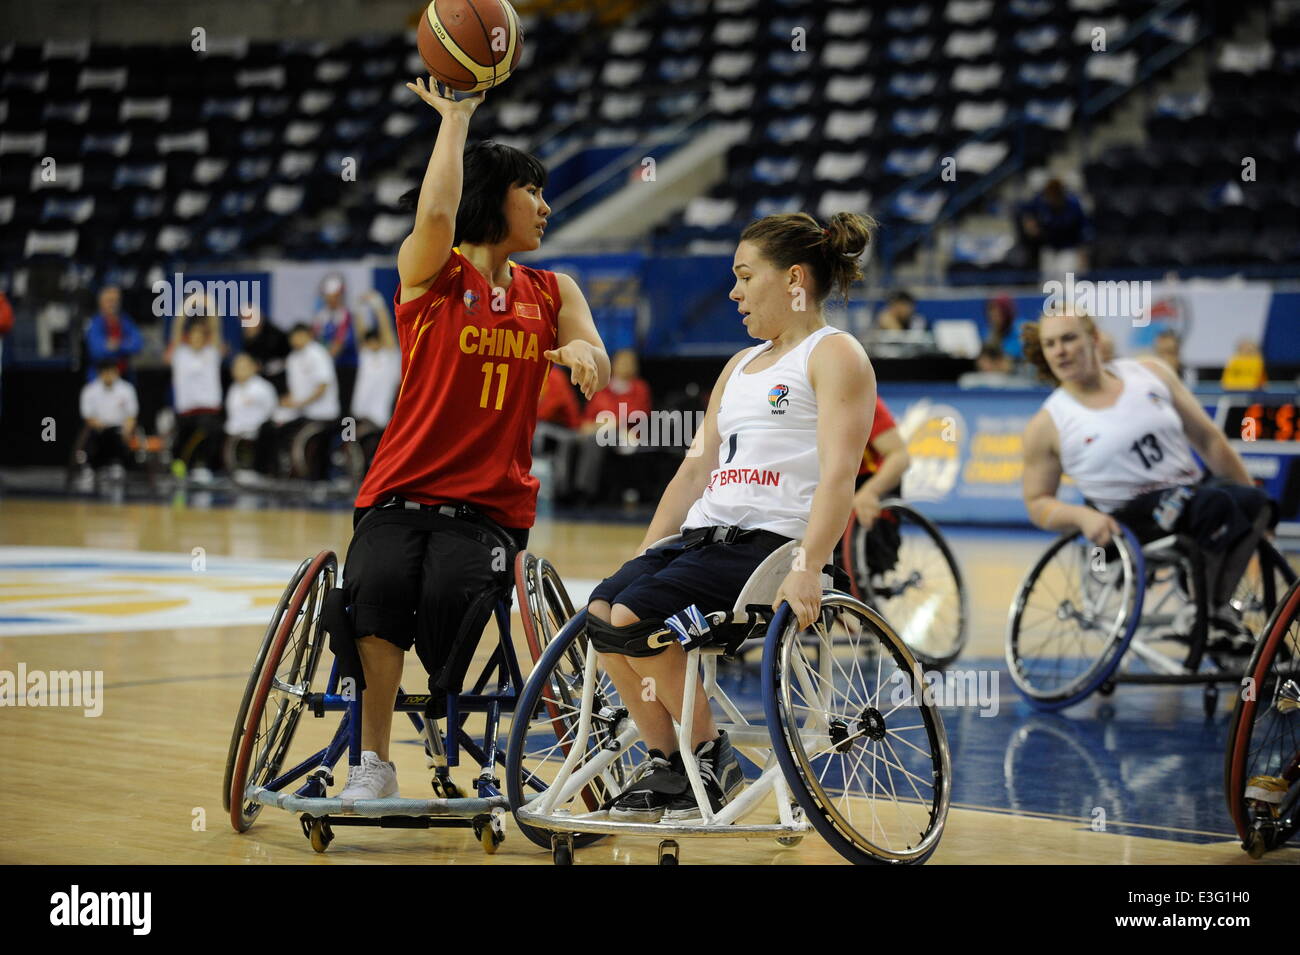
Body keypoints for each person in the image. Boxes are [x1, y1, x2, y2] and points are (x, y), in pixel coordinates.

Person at [331, 79, 610, 801]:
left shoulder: (553, 291)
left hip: (488, 507)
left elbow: (597, 355)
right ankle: (373, 762)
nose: (546, 207)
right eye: (533, 191)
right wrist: (455, 121)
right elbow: (434, 209)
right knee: (379, 586)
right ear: (495, 197)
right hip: (398, 491)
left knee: (455, 593)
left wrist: (584, 358)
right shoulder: (431, 274)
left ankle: (444, 717)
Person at [588, 211, 876, 822]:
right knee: (602, 613)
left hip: (767, 548)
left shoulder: (835, 354)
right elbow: (694, 473)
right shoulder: (738, 366)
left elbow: (839, 475)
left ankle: (710, 754)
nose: (734, 292)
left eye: (745, 276)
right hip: (703, 540)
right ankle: (671, 766)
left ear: (793, 277)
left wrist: (809, 565)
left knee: (637, 617)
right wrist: (646, 550)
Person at [1020, 311, 1273, 638]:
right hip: (1130, 518)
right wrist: (1081, 516)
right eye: (1050, 344)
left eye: (1068, 338)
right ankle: (1204, 613)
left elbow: (1210, 440)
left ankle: (1213, 609)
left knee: (1257, 502)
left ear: (1093, 338)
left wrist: (1258, 521)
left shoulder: (1149, 373)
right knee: (1212, 505)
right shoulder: (1047, 424)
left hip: (1191, 491)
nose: (1060, 351)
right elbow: (1037, 502)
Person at [574, 348, 654, 503]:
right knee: (570, 440)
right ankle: (563, 489)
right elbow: (589, 415)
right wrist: (588, 425)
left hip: (625, 433)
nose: (624, 366)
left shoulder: (639, 388)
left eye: (629, 362)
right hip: (597, 430)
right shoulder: (602, 387)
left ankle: (585, 490)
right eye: (621, 361)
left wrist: (611, 422)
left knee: (595, 439)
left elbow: (639, 413)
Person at [167, 300, 225, 483]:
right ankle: (183, 467)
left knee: (208, 435)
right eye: (194, 335)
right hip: (186, 411)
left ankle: (205, 467)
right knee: (181, 445)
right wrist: (187, 305)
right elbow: (177, 327)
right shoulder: (180, 354)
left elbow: (215, 327)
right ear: (188, 337)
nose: (198, 339)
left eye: (202, 335)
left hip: (208, 410)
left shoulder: (212, 353)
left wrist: (210, 305)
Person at [275, 323, 342, 477]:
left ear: (307, 335)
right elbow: (294, 390)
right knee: (274, 428)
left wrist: (300, 403)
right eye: (292, 337)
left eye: (298, 336)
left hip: (323, 414)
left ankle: (315, 476)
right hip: (302, 412)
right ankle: (280, 471)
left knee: (310, 441)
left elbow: (322, 387)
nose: (294, 340)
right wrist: (287, 401)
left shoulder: (318, 354)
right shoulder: (292, 358)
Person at [76, 358, 139, 483]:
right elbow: (88, 416)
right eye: (105, 372)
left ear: (117, 372)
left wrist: (127, 428)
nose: (109, 376)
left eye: (112, 372)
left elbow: (132, 415)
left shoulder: (127, 389)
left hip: (119, 430)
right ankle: (92, 466)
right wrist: (99, 425)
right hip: (99, 429)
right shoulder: (90, 390)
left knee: (117, 434)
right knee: (96, 434)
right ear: (100, 373)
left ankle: (117, 464)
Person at [349, 290, 401, 432]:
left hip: (380, 415)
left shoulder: (390, 355)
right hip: (359, 409)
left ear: (380, 341)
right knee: (348, 440)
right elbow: (360, 333)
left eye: (373, 342)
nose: (369, 345)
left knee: (373, 446)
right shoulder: (366, 355)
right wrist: (357, 308)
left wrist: (377, 304)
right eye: (368, 343)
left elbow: (386, 329)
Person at [1019, 178, 1091, 279]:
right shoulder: (1041, 201)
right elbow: (1026, 210)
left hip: (1068, 249)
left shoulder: (1074, 205)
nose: (1050, 199)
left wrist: (1083, 256)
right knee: (1047, 286)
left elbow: (1083, 232)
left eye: (1054, 196)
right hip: (1048, 248)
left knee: (1067, 283)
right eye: (1049, 195)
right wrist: (1029, 223)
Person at [224, 353, 280, 478]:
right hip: (236, 432)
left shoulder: (263, 388)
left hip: (257, 431)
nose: (239, 371)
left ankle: (260, 472)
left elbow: (271, 410)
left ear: (253, 367)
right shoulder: (233, 389)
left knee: (268, 431)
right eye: (236, 368)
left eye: (243, 367)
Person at [533, 363, 582, 500]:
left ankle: (559, 489)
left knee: (537, 431)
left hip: (566, 427)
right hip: (545, 424)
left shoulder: (555, 376)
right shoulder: (533, 373)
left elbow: (548, 409)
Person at [84, 286, 143, 381]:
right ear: (101, 302)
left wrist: (116, 345)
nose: (113, 304)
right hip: (99, 379)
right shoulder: (95, 322)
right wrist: (124, 345)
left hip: (124, 377)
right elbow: (96, 351)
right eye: (109, 300)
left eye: (116, 300)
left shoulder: (125, 320)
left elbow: (137, 344)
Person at [238, 303, 290, 395]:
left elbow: (287, 358)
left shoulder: (275, 335)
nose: (246, 323)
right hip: (259, 382)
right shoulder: (247, 336)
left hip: (279, 381)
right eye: (244, 319)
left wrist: (264, 365)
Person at [314, 273, 358, 367]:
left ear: (340, 296)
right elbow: (316, 339)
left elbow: (339, 343)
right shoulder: (320, 316)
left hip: (346, 365)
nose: (332, 300)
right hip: (326, 362)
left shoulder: (346, 315)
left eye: (335, 296)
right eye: (329, 297)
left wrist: (322, 359)